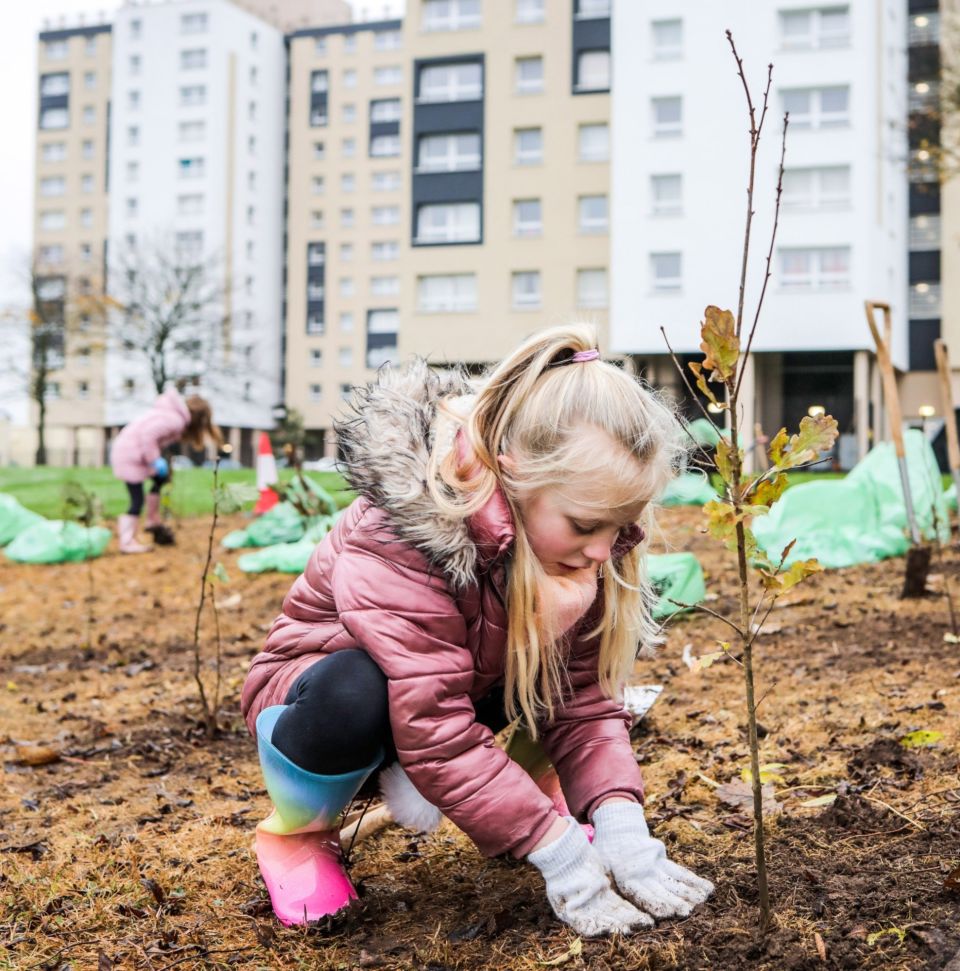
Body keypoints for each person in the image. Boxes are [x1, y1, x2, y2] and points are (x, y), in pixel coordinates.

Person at [240, 325, 714, 936]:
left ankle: (540, 799)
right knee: (355, 692)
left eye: (620, 525)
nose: (604, 550)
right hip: (326, 702)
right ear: (512, 476)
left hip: (455, 690)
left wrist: (622, 821)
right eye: (585, 524)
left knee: (546, 672)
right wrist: (556, 850)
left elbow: (584, 702)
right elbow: (434, 726)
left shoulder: (585, 546)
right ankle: (299, 837)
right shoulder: (403, 535)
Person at [110, 389, 222, 553]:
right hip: (130, 455)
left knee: (159, 480)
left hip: (132, 453)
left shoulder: (172, 415)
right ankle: (126, 543)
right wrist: (155, 460)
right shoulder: (175, 420)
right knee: (136, 500)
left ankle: (152, 521)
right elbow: (148, 436)